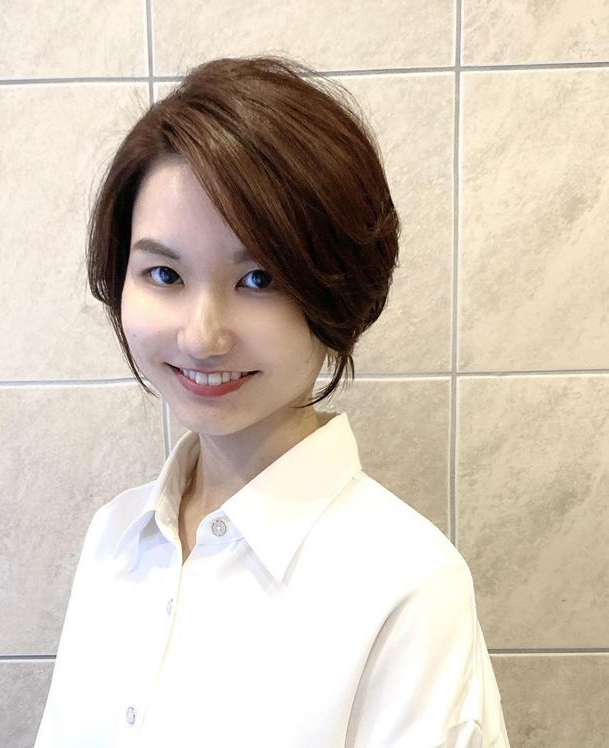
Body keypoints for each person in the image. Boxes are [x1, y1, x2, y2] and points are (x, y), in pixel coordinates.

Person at [35, 55, 510, 747]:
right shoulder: (115, 536)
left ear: (339, 291)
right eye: (164, 273)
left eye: (259, 279)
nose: (203, 336)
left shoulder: (408, 587)